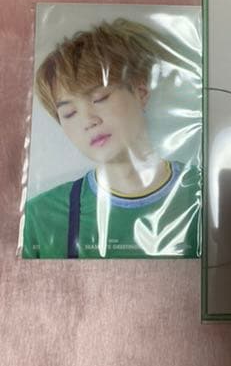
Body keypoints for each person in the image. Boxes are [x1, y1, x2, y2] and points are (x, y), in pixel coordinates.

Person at [23, 19, 200, 258]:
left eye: (99, 98)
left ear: (140, 92)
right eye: (69, 113)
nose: (88, 120)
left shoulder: (204, 193)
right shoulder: (39, 217)